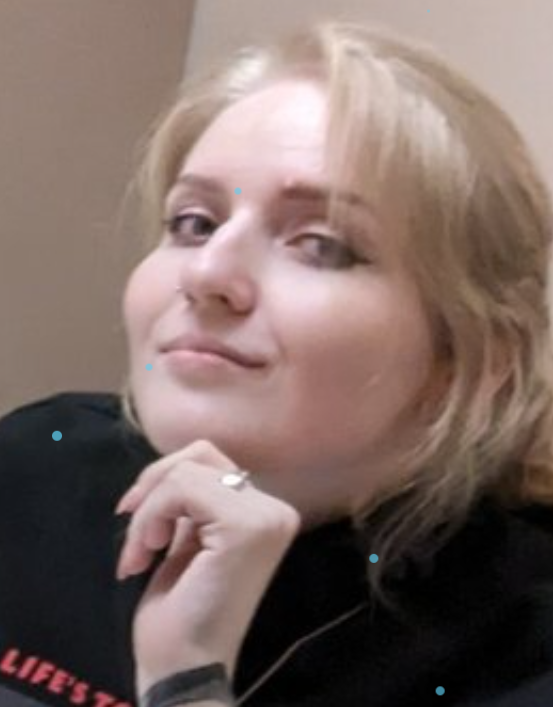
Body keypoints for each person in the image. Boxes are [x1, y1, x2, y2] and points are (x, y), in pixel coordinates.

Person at [2, 18, 553, 707]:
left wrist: (188, 679)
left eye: (320, 244)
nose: (207, 273)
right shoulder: (38, 463)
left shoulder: (522, 645)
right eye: (194, 223)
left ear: (470, 354)